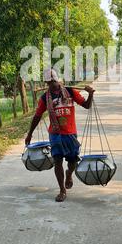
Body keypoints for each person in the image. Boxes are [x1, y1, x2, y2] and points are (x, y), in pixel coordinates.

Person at [25, 69, 95, 202]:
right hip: (56, 134)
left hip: (70, 133)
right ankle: (62, 190)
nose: (51, 84)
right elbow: (37, 116)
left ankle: (69, 174)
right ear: (46, 83)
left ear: (58, 80)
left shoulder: (70, 92)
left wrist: (90, 94)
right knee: (57, 160)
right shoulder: (45, 98)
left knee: (73, 160)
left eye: (53, 81)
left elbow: (86, 105)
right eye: (49, 82)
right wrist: (29, 134)